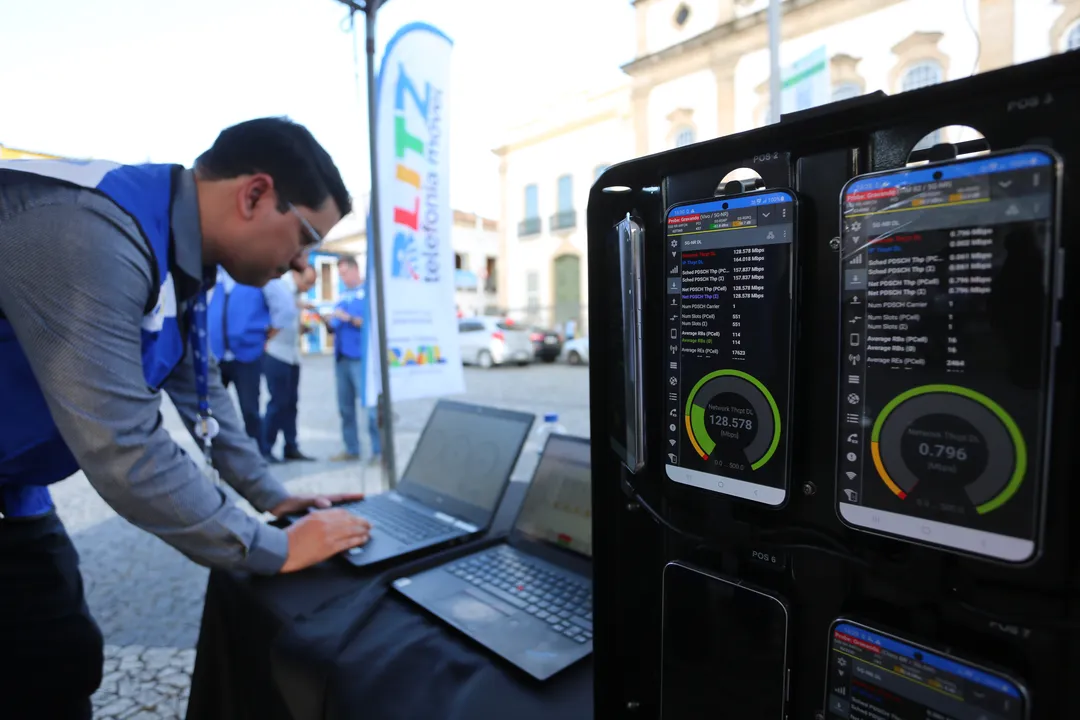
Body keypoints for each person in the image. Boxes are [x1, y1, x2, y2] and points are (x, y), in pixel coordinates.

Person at [0, 117, 373, 719]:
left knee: (61, 656)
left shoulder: (180, 258)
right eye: (306, 237)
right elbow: (123, 447)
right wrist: (271, 550)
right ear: (254, 194)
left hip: (16, 495)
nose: (304, 264)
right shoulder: (88, 234)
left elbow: (205, 397)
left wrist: (274, 499)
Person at [208, 266, 272, 443]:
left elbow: (283, 310)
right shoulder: (213, 278)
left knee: (250, 409)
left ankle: (257, 453)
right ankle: (219, 454)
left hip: (247, 356)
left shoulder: (256, 278)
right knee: (214, 409)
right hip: (217, 356)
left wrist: (262, 337)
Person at [328, 254, 381, 464]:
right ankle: (351, 448)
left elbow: (371, 323)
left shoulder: (369, 293)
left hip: (361, 357)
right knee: (345, 407)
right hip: (341, 357)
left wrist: (348, 318)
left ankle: (379, 451)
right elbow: (335, 323)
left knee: (370, 407)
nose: (342, 278)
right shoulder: (343, 295)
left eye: (344, 273)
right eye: (339, 274)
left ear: (355, 269)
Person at [262, 265, 318, 462]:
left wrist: (303, 329)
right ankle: (265, 448)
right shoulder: (279, 287)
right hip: (276, 353)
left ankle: (291, 446)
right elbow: (274, 317)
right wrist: (268, 338)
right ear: (295, 274)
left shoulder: (294, 295)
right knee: (278, 402)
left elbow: (289, 322)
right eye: (307, 282)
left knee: (291, 403)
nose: (308, 287)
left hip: (292, 354)